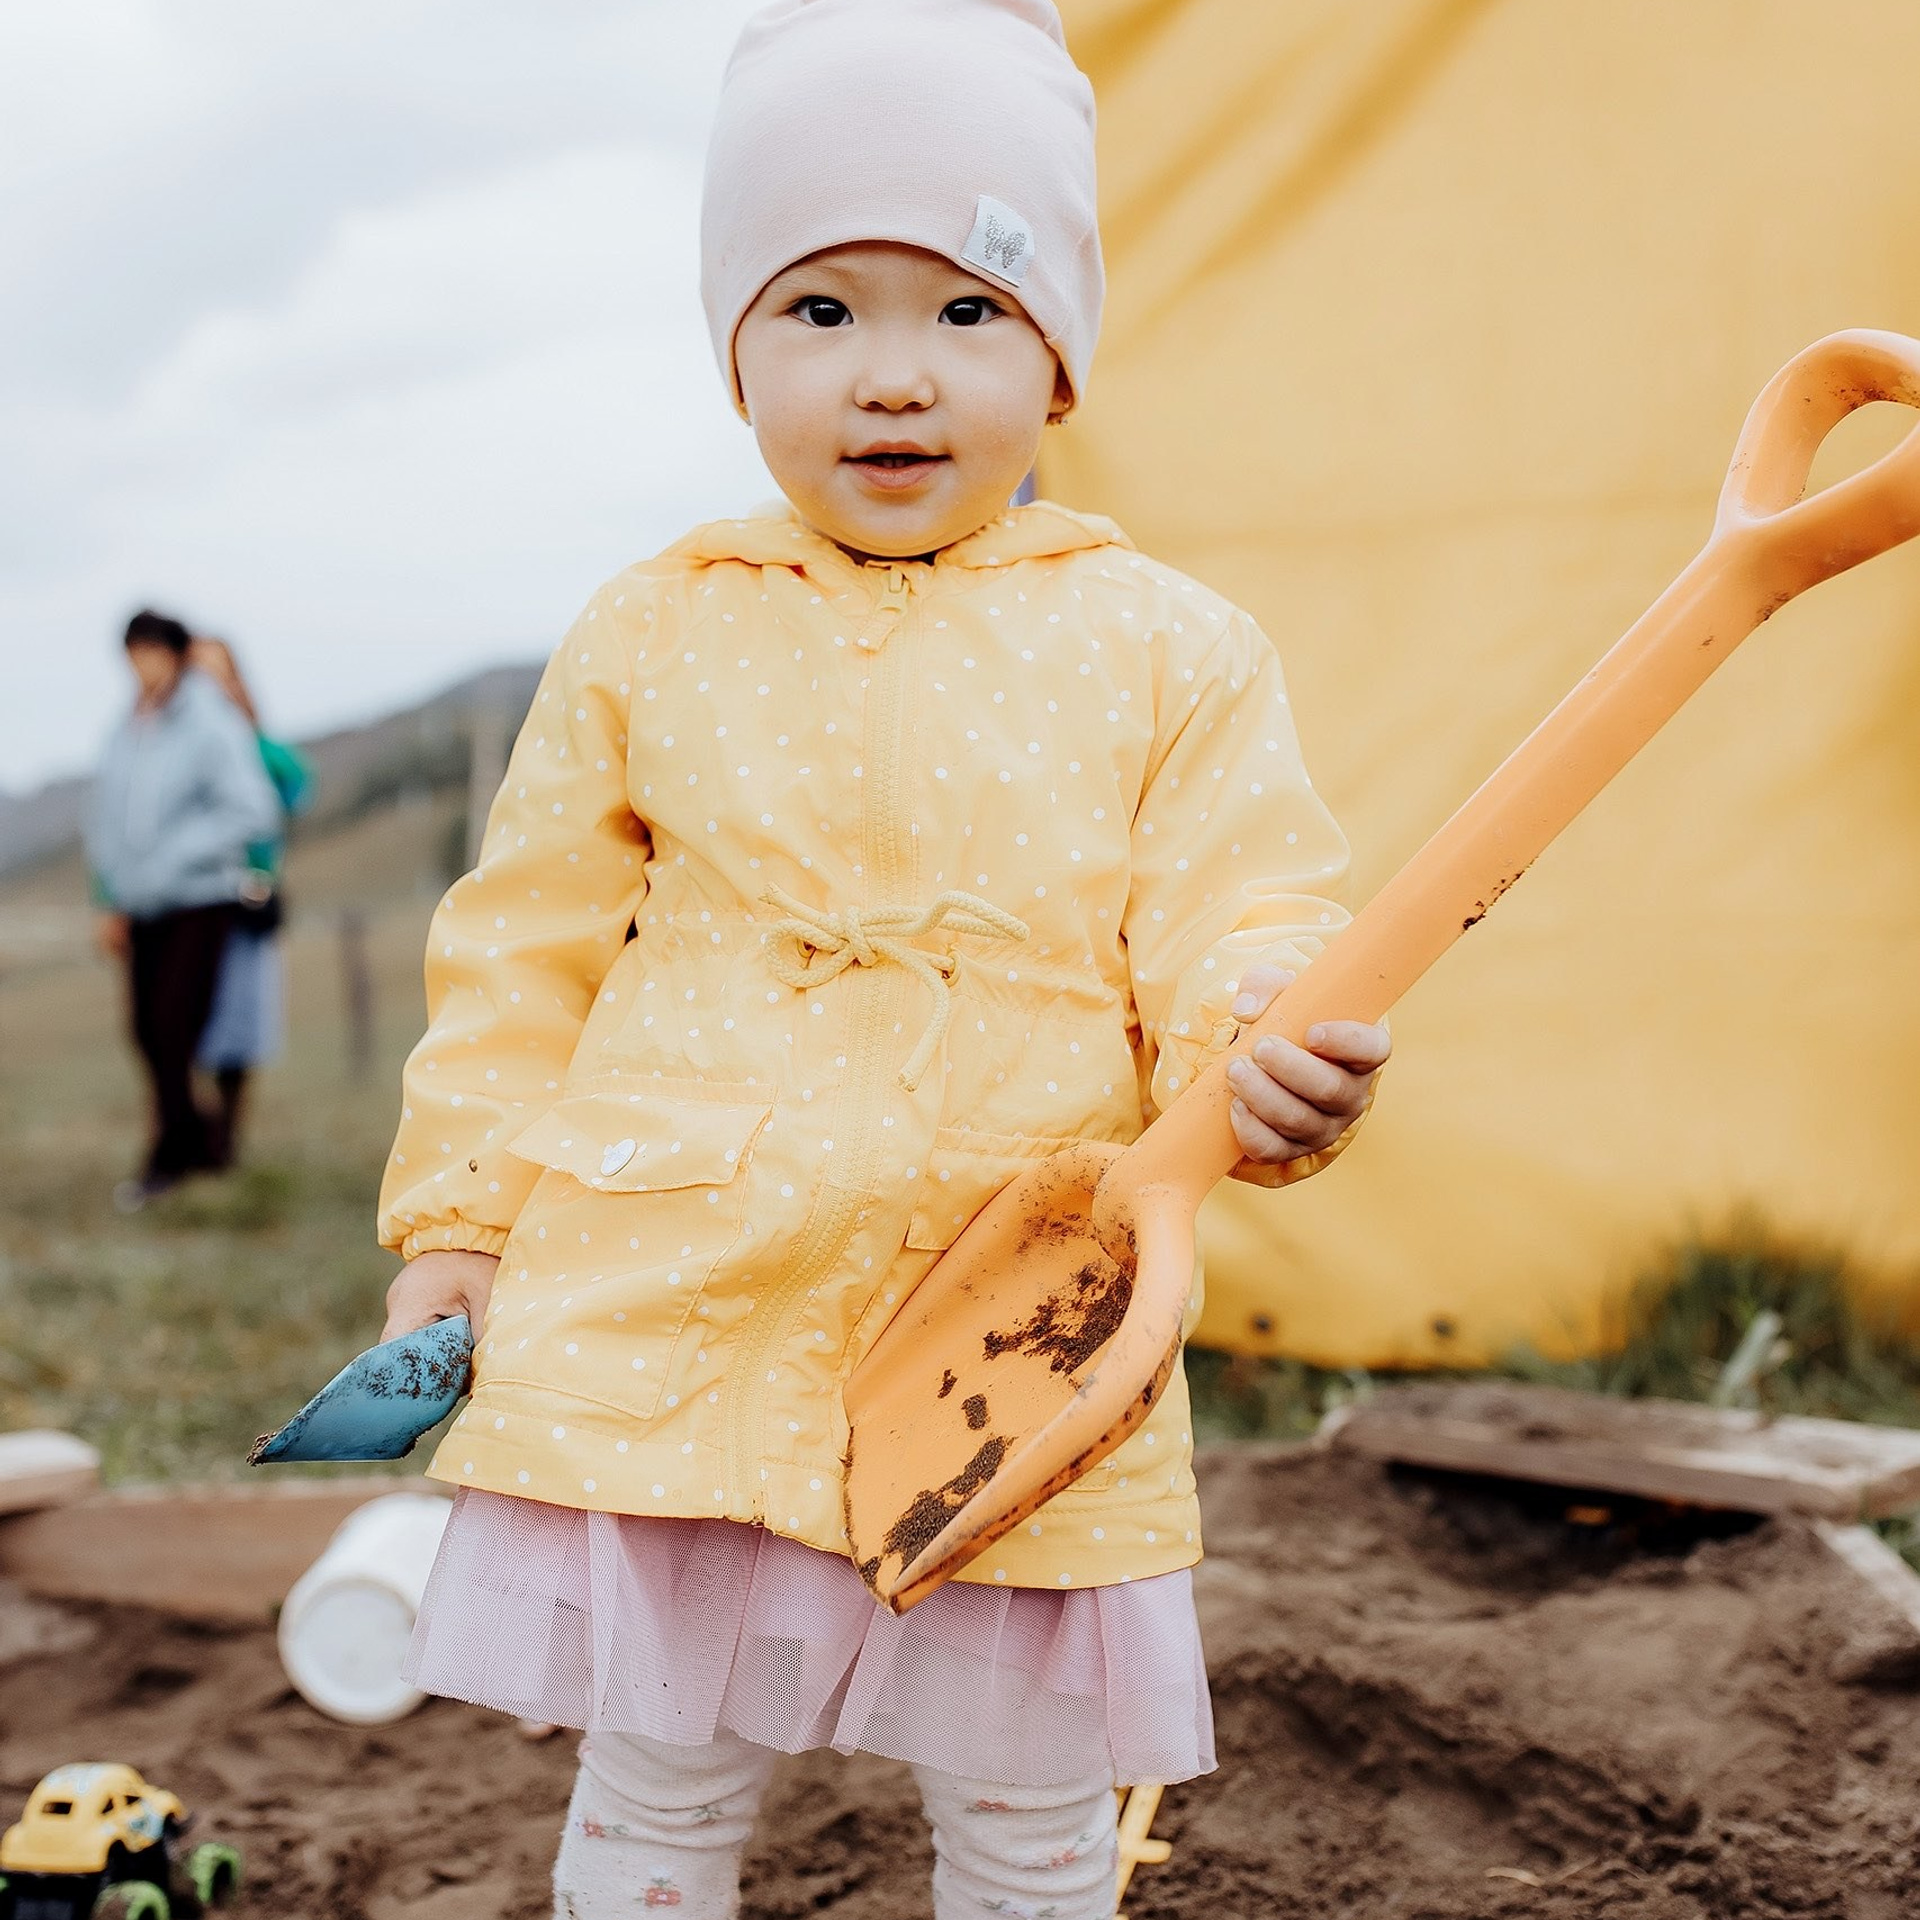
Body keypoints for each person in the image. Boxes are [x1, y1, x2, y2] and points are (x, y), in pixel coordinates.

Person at [376, 3, 1391, 1914]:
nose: (894, 379)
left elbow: (1238, 905)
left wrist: (1266, 1034)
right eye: (820, 311)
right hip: (687, 1297)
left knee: (1023, 1804)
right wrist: (463, 1228)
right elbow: (523, 962)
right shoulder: (653, 633)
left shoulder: (1168, 649)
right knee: (659, 1772)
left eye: (967, 311)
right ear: (732, 351)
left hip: (1006, 1320)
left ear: (1063, 360)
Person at [87, 610, 281, 1207]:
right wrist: (111, 892)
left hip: (200, 900)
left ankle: (171, 1155)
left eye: (148, 651)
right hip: (142, 904)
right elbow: (107, 816)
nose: (140, 665)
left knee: (176, 1027)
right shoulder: (127, 730)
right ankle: (196, 1139)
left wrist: (174, 857)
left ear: (171, 654)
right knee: (145, 1030)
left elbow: (253, 809)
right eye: (131, 653)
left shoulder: (209, 723)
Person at [188, 636, 312, 1166]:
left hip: (246, 901)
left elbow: (299, 783)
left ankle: (224, 1140)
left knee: (239, 1024)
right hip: (189, 898)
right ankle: (186, 1131)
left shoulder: (253, 743)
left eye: (219, 672)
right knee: (182, 1022)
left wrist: (245, 733)